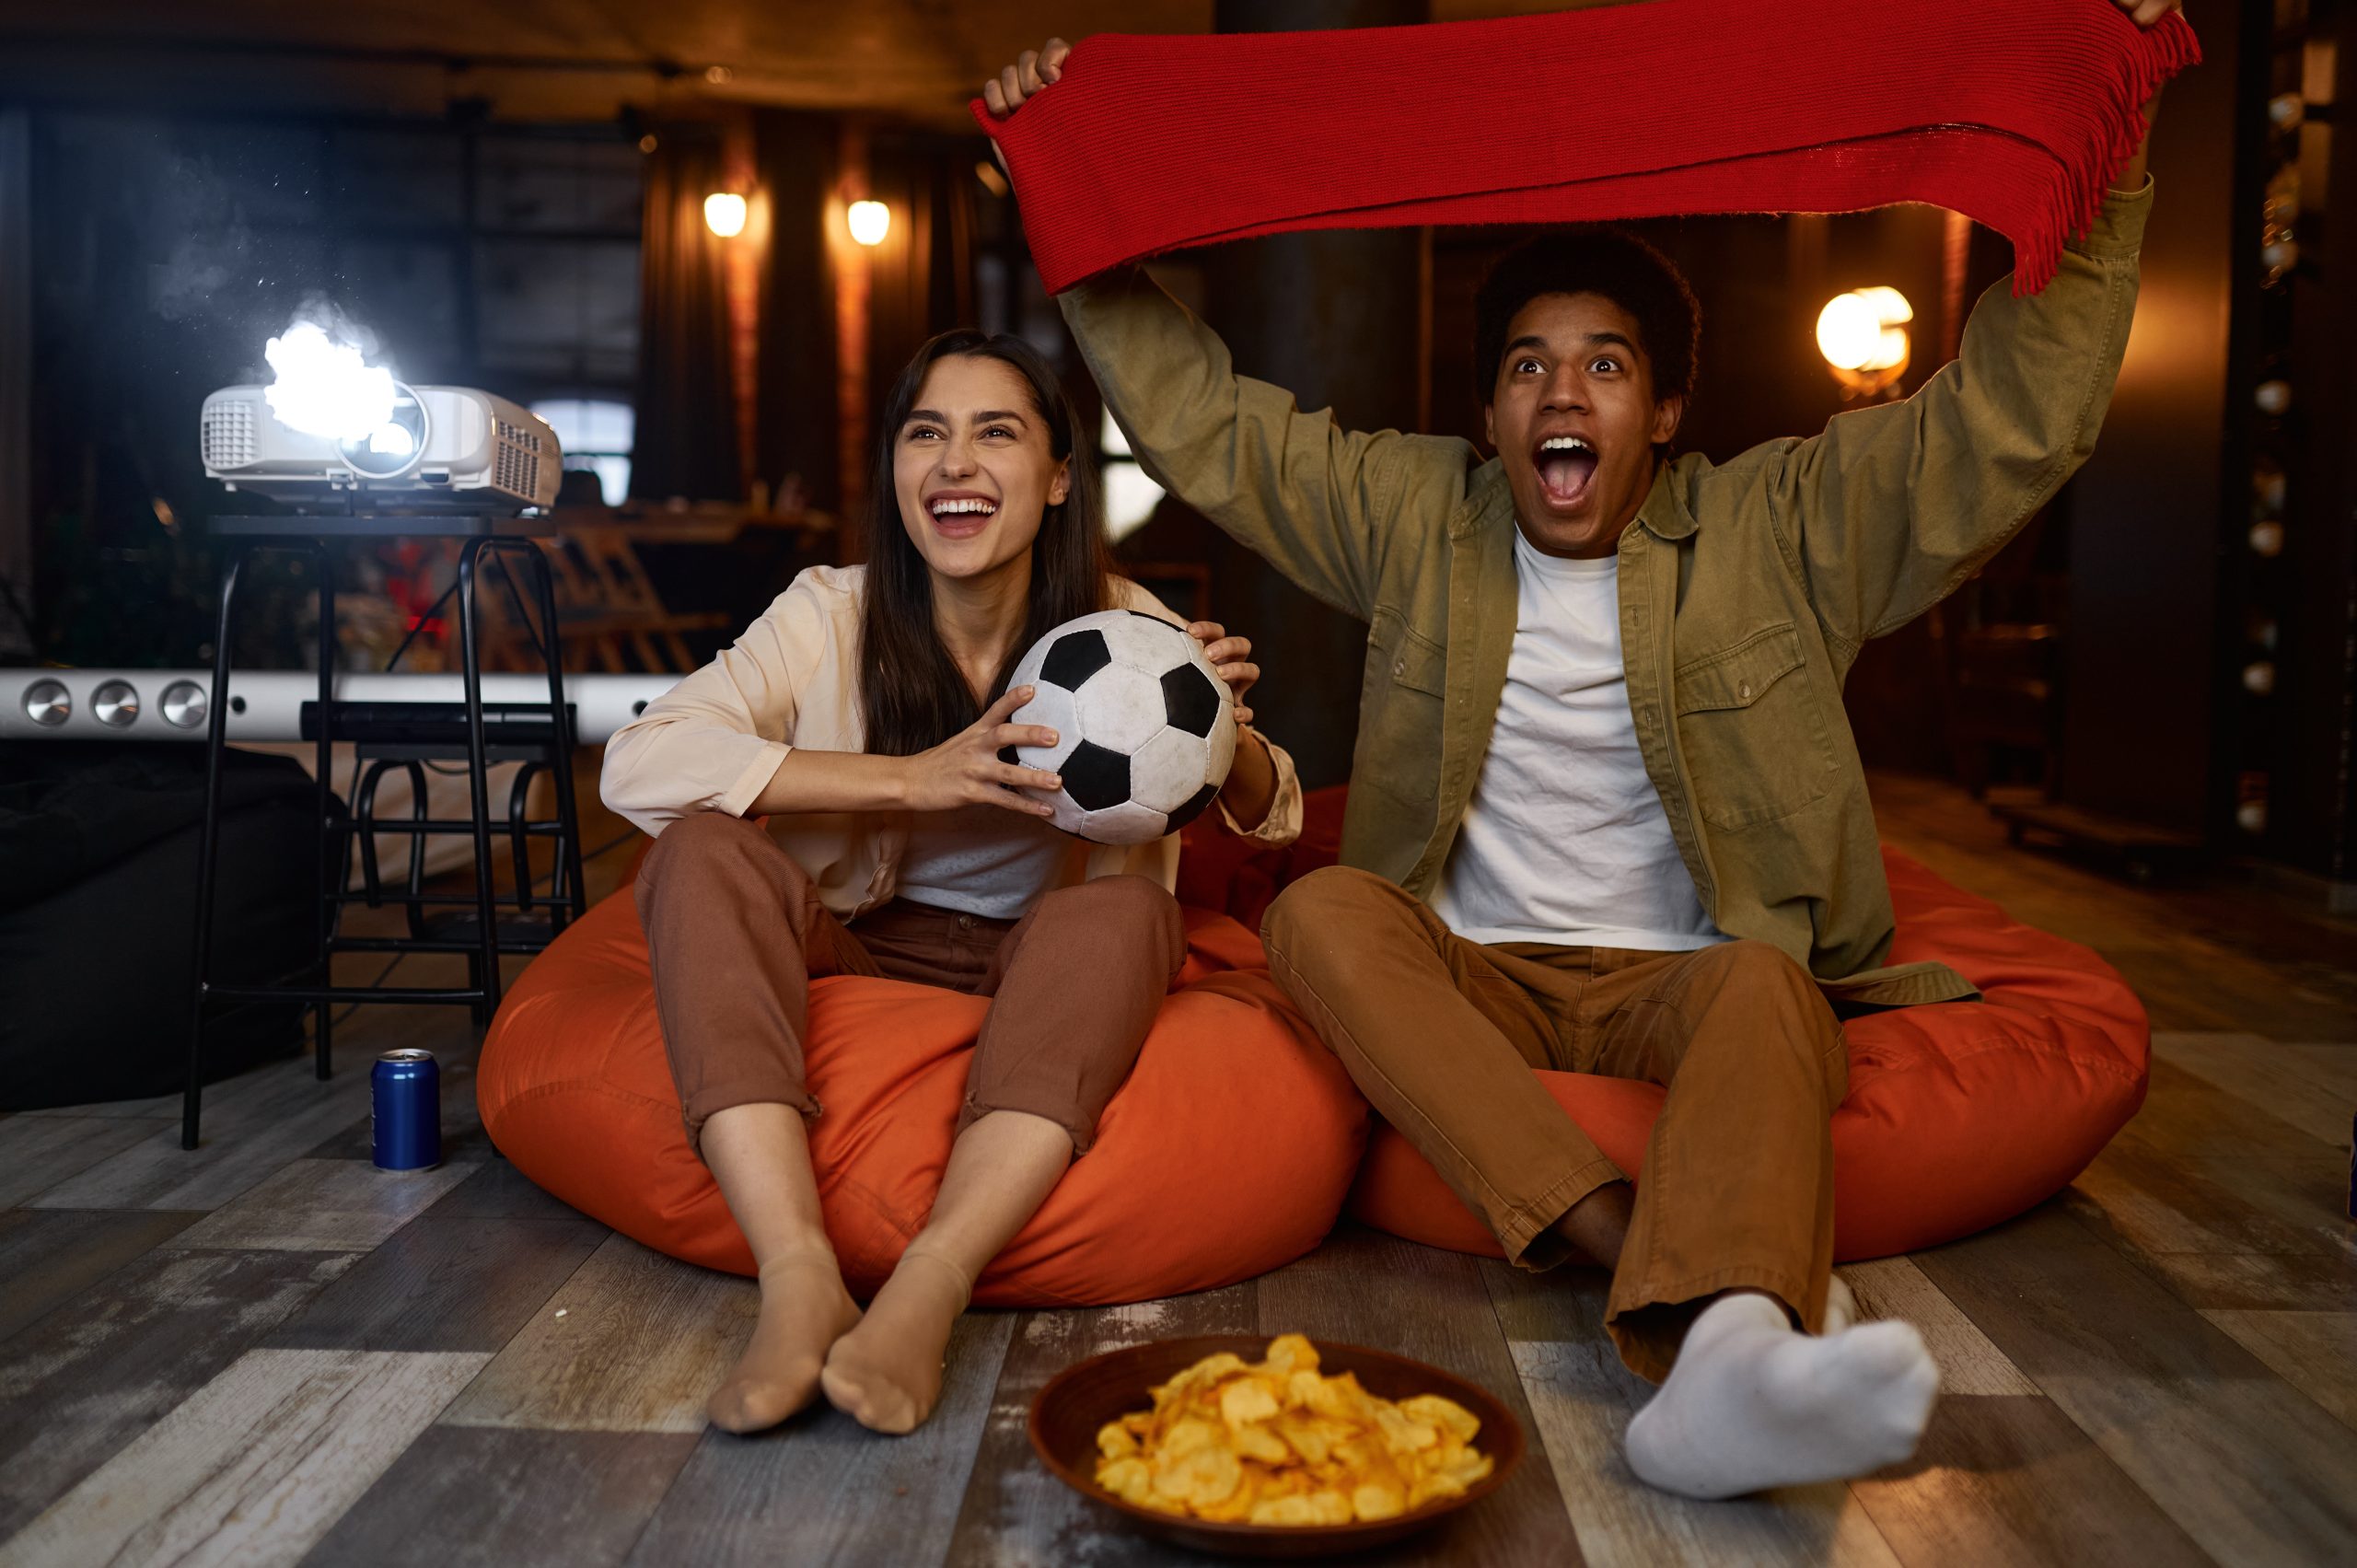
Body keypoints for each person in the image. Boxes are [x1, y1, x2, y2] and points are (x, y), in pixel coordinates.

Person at [985, 0, 2176, 1498]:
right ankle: (1673, 1287)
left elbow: (2012, 422)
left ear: (1664, 408)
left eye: (1607, 366)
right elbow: (1211, 425)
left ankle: (1725, 1345)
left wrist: (2107, 140)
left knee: (1772, 984)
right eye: (1530, 367)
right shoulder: (1415, 513)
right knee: (1320, 911)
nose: (1564, 392)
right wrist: (1068, 173)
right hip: (1470, 965)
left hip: (1691, 972)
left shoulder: (1784, 525)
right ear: (1491, 414)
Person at [602, 329, 1302, 1436]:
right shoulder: (829, 611)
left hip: (1046, 967)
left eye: (996, 433)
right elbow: (638, 762)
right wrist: (912, 779)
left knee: (1129, 910)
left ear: (1059, 476)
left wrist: (1228, 730)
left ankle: (928, 1287)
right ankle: (797, 1274)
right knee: (693, 849)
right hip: (857, 943)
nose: (955, 462)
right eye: (926, 433)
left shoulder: (1130, 628)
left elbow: (1277, 809)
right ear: (895, 467)